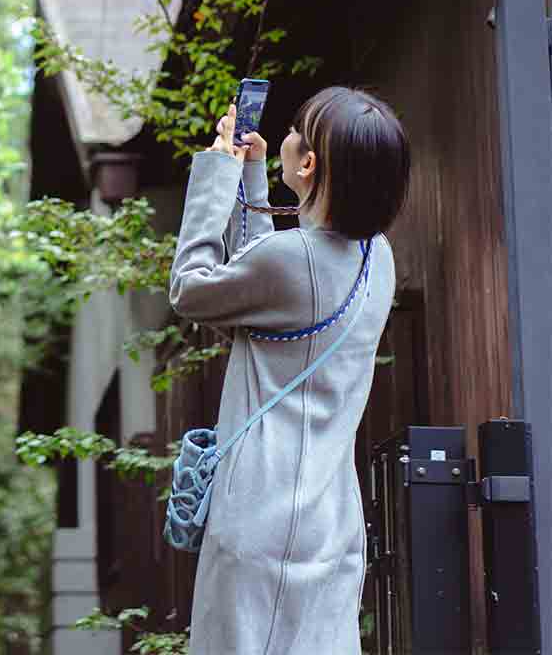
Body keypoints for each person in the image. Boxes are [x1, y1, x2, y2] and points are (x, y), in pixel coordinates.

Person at [168, 86, 411, 655]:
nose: (289, 133)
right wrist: (254, 178)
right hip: (330, 521)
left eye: (299, 129)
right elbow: (275, 295)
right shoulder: (378, 257)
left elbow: (190, 290)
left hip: (259, 520)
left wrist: (217, 174)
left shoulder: (288, 261)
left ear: (307, 164)